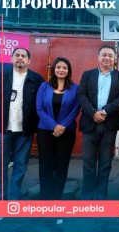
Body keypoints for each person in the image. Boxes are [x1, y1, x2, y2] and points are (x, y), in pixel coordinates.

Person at [0, 48, 44, 200]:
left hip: (24, 131)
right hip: (2, 130)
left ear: (29, 60)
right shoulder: (1, 76)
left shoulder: (37, 79)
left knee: (20, 165)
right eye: (17, 55)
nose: (20, 58)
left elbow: (40, 103)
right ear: (11, 59)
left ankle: (14, 196)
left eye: (23, 56)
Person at [78, 45, 119, 200]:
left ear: (115, 59)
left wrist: (105, 111)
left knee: (105, 164)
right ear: (98, 57)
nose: (107, 58)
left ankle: (101, 197)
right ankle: (87, 197)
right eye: (104, 55)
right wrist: (93, 113)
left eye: (110, 56)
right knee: (88, 164)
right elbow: (82, 95)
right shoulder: (87, 75)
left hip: (109, 124)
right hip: (90, 124)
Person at [36, 57, 80, 200]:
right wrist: (54, 125)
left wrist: (62, 126)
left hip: (67, 132)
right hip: (45, 131)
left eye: (65, 68)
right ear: (54, 69)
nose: (61, 70)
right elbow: (40, 109)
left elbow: (76, 109)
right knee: (45, 165)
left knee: (62, 165)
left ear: (69, 71)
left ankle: (57, 198)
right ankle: (45, 197)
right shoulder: (44, 86)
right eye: (58, 67)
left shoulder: (75, 88)